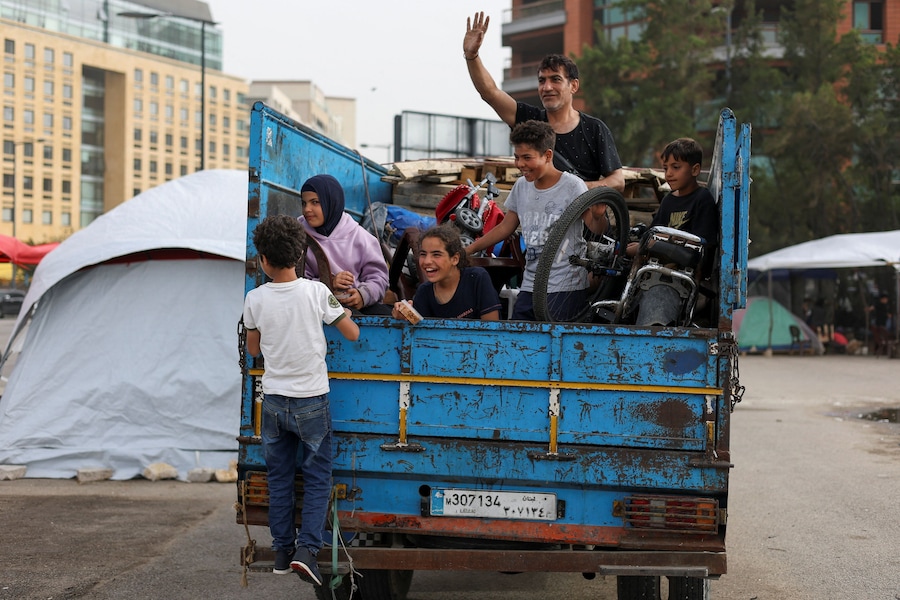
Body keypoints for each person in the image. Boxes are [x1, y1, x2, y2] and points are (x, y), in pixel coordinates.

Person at [242, 214, 360, 586]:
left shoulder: (254, 298)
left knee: (278, 478)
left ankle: (281, 552)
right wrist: (344, 313)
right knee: (317, 477)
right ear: (299, 254)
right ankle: (307, 550)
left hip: (275, 402)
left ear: (263, 259)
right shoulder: (316, 292)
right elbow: (352, 334)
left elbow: (254, 350)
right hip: (311, 400)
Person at [463, 11, 625, 193]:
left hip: (578, 217)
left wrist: (579, 189)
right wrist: (472, 56)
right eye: (542, 80)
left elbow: (617, 181)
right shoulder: (529, 120)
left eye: (555, 79)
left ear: (573, 85)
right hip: (535, 216)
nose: (547, 87)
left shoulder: (594, 129)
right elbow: (490, 93)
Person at [464, 120, 609, 321]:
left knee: (556, 344)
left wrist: (598, 215)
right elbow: (506, 227)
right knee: (520, 342)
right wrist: (469, 250)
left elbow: (595, 228)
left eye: (527, 158)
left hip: (566, 286)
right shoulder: (521, 187)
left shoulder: (572, 186)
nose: (520, 164)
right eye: (516, 157)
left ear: (547, 155)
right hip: (531, 284)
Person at [626, 137, 719, 280]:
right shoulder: (668, 200)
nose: (668, 173)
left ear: (695, 170)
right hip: (659, 266)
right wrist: (642, 243)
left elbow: (704, 244)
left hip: (684, 274)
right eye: (665, 168)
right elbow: (655, 231)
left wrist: (646, 246)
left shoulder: (703, 199)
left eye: (676, 167)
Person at [299, 174, 390, 314]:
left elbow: (379, 278)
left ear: (331, 202)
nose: (307, 209)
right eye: (304, 203)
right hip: (314, 307)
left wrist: (362, 296)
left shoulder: (361, 238)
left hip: (353, 305)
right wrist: (329, 283)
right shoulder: (298, 236)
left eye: (315, 202)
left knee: (383, 316)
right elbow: (295, 282)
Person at [392, 224, 501, 321]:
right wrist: (404, 316)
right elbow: (421, 335)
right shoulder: (424, 292)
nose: (427, 261)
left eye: (436, 254)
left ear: (455, 259)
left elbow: (491, 332)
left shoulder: (476, 279)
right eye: (423, 254)